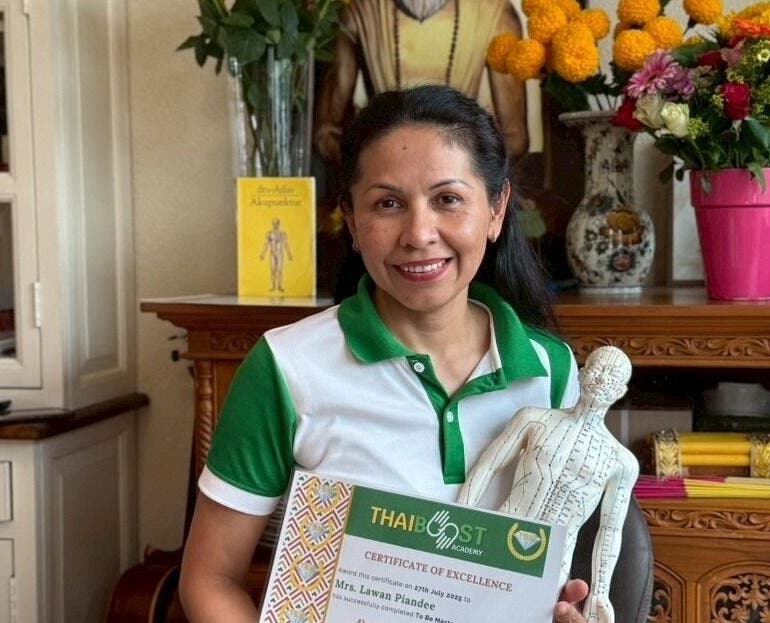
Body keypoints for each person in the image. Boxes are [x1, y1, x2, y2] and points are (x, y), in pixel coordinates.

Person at [179, 84, 590, 623]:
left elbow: (549, 569)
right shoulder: (286, 367)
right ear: (351, 220)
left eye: (448, 199)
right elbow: (210, 579)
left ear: (496, 210)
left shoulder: (550, 373)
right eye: (388, 204)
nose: (419, 234)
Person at [458, 345, 639, 623]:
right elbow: (488, 466)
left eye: (612, 377)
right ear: (582, 373)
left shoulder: (622, 462)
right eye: (598, 369)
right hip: (498, 539)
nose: (602, 379)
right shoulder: (532, 419)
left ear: (620, 391)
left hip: (555, 565)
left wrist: (600, 592)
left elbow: (611, 529)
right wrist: (459, 525)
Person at [314, 0, 529, 165]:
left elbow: (514, 136)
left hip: (462, 177)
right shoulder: (359, 11)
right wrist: (370, 167)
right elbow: (326, 133)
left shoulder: (494, 11)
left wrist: (470, 171)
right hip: (381, 175)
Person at [259, 217, 293, 292]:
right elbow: (266, 244)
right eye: (274, 223)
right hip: (272, 254)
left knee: (280, 270)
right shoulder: (269, 233)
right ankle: (273, 286)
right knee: (273, 271)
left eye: (276, 223)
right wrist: (263, 254)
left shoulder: (282, 233)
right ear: (272, 224)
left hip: (280, 254)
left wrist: (289, 254)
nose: (275, 224)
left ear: (279, 223)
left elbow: (286, 244)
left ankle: (279, 286)